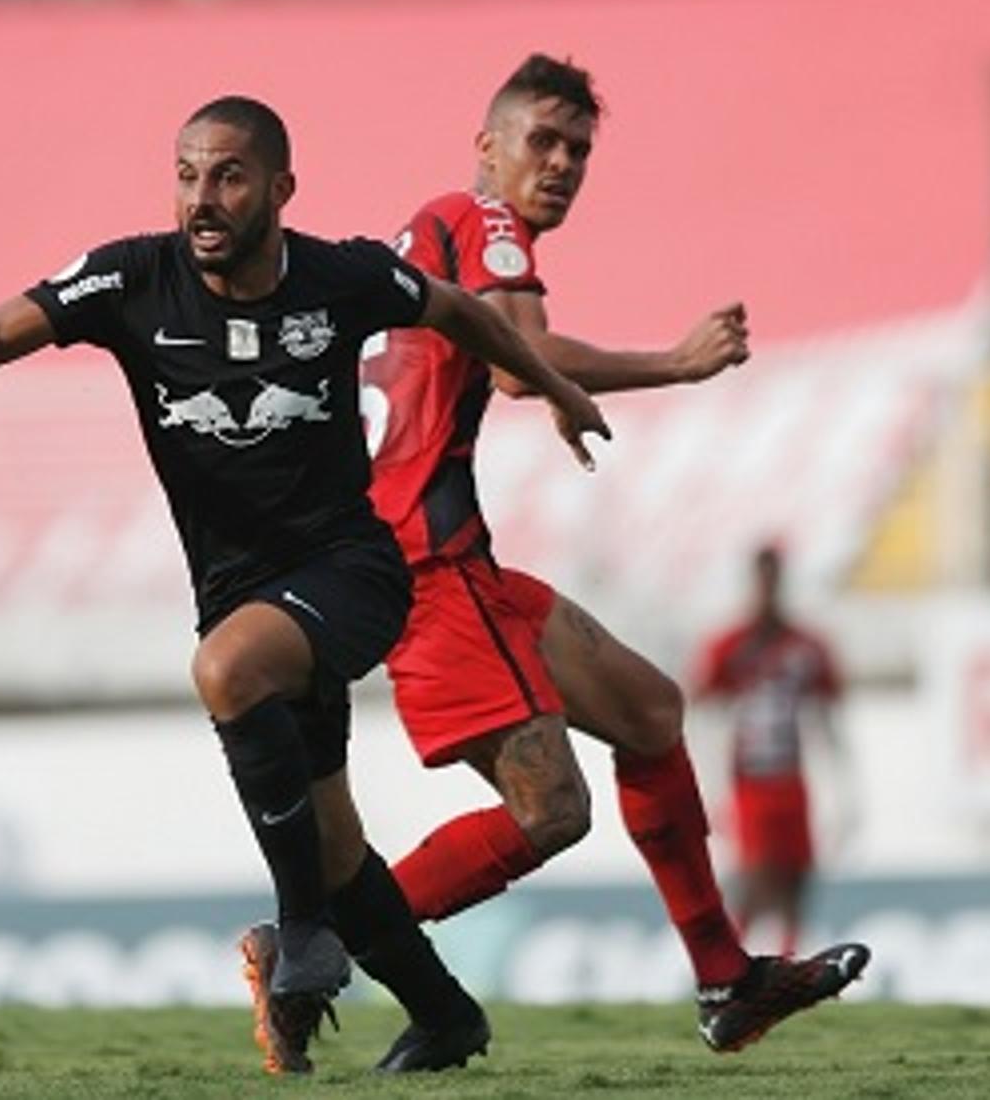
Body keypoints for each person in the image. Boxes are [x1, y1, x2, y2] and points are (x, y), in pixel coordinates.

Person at [0, 95, 611, 1074]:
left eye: (229, 175)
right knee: (332, 839)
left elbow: (452, 307)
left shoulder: (343, 275)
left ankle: (303, 931)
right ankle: (446, 1014)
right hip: (239, 587)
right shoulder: (131, 277)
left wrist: (563, 387)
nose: (204, 197)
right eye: (188, 173)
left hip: (353, 571)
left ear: (281, 188)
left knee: (225, 670)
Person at [264, 54, 865, 1058]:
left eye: (577, 149)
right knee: (551, 811)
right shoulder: (482, 220)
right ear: (486, 145)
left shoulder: (427, 227)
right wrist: (675, 363)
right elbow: (514, 360)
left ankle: (727, 977)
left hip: (447, 557)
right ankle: (308, 941)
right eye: (541, 140)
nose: (560, 163)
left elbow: (484, 363)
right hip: (423, 565)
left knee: (650, 709)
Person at [693, 541, 850, 956]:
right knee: (755, 880)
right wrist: (710, 787)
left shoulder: (805, 646)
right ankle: (728, 974)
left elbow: (827, 720)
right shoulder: (729, 646)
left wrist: (843, 792)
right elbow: (705, 716)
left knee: (796, 880)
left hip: (791, 778)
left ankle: (785, 969)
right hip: (749, 781)